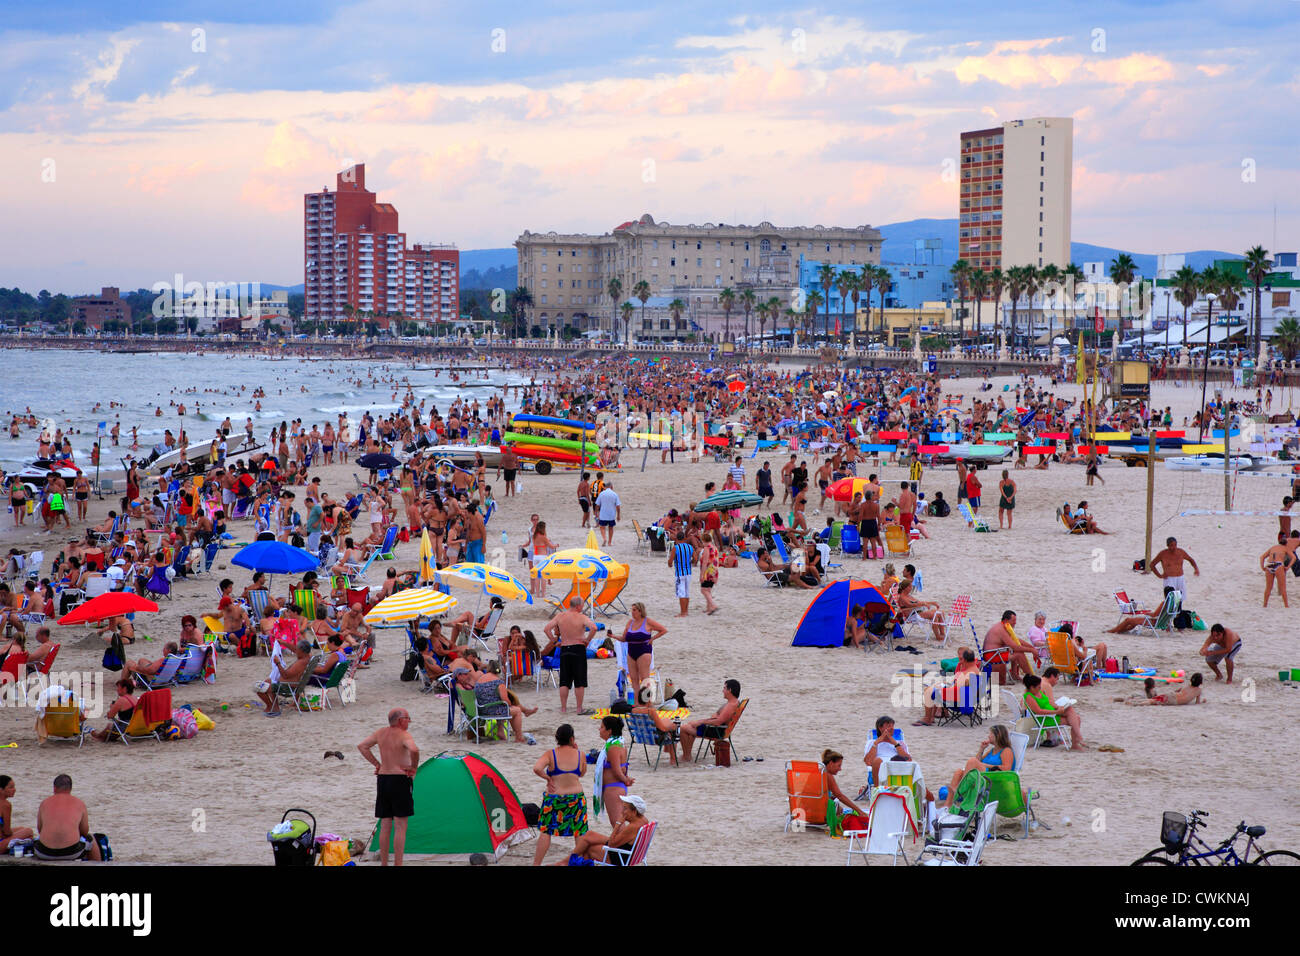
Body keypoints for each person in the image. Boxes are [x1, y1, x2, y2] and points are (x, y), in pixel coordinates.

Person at [358, 708, 419, 866]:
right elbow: (414, 749)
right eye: (408, 718)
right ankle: (398, 864)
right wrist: (414, 767)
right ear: (400, 720)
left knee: (385, 824)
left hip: (383, 779)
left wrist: (377, 764)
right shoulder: (403, 735)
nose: (409, 721)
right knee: (400, 825)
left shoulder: (380, 733)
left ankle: (384, 863)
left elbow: (362, 746)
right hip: (400, 780)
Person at [531, 724, 588, 866]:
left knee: (546, 831)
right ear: (572, 738)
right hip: (576, 798)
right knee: (579, 832)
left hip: (555, 798)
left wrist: (548, 778)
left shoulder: (551, 754)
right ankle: (578, 862)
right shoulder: (580, 754)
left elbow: (537, 768)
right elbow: (581, 773)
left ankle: (536, 864)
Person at [541, 595, 598, 714]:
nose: (583, 607)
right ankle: (579, 708)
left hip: (565, 648)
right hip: (578, 648)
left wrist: (554, 641)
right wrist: (587, 640)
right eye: (582, 605)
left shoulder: (560, 616)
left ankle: (563, 708)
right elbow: (594, 628)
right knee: (579, 680)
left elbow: (546, 629)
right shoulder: (581, 617)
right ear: (578, 606)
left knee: (564, 681)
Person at [564, 793, 651, 865]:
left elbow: (611, 844)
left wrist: (618, 824)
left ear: (634, 811)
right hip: (630, 852)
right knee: (589, 835)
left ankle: (567, 862)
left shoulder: (633, 827)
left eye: (625, 808)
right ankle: (567, 861)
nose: (622, 811)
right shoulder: (643, 820)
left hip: (621, 857)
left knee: (589, 849)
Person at [940, 725, 1015, 806]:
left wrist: (986, 765)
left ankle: (962, 790)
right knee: (958, 772)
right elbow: (978, 761)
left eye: (991, 734)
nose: (988, 736)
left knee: (972, 761)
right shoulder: (992, 750)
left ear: (998, 735)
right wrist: (981, 749)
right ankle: (947, 806)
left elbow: (1007, 769)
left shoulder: (1006, 751)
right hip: (983, 776)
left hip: (993, 777)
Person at [35, 774, 101, 861]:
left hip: (44, 852)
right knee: (91, 839)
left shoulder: (44, 803)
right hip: (71, 852)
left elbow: (40, 830)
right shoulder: (80, 803)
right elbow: (84, 832)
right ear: (70, 788)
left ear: (54, 788)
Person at [610, 602, 667, 699]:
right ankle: (637, 702)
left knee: (644, 679)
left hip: (644, 651)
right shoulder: (630, 623)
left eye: (634, 610)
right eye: (631, 610)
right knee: (634, 679)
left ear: (640, 611)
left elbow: (663, 630)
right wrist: (613, 636)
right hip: (631, 651)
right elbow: (624, 639)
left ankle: (646, 702)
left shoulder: (647, 621)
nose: (632, 612)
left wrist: (652, 638)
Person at [913, 649, 981, 726]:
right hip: (969, 698)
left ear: (965, 659)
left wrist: (943, 689)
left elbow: (956, 689)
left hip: (957, 701)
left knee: (928, 692)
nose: (960, 661)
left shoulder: (967, 674)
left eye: (961, 659)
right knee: (935, 687)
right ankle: (931, 717)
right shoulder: (976, 669)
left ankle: (927, 718)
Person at [678, 678, 741, 761]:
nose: (723, 691)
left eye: (724, 688)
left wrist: (700, 722)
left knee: (683, 728)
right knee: (690, 724)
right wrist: (713, 716)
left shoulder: (730, 706)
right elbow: (719, 716)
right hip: (718, 729)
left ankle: (686, 756)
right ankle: (687, 755)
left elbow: (718, 721)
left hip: (716, 731)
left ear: (730, 690)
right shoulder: (734, 702)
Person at [1023, 672, 1086, 751]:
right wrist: (1056, 712)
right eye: (1038, 687)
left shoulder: (1037, 692)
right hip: (1045, 719)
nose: (1040, 689)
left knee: (1070, 709)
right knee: (1077, 718)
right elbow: (1039, 711)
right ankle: (1077, 741)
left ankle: (1077, 741)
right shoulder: (1029, 696)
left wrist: (1058, 707)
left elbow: (1049, 703)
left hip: (1052, 714)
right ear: (1032, 687)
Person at [596, 716, 635, 826]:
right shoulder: (619, 743)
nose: (599, 729)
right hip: (615, 787)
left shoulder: (613, 747)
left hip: (613, 788)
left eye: (602, 727)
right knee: (618, 824)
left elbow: (617, 770)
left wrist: (626, 780)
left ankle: (625, 843)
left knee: (617, 825)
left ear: (609, 731)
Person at [982, 610, 1036, 680]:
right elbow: (1015, 647)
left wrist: (1032, 648)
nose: (1015, 623)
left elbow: (1016, 640)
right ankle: (1031, 678)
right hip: (992, 655)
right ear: (1006, 620)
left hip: (995, 653)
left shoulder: (1004, 626)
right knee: (1019, 654)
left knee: (1016, 652)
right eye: (1013, 620)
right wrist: (1031, 650)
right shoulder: (1001, 629)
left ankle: (1014, 674)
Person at [863, 714, 914, 783]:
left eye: (892, 726)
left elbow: (908, 760)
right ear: (880, 728)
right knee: (877, 761)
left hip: (896, 769)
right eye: (888, 726)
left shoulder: (900, 743)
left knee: (898, 760)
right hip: (879, 771)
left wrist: (895, 744)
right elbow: (868, 762)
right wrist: (876, 743)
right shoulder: (872, 743)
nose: (892, 728)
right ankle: (878, 789)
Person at [821, 749, 867, 824]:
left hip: (809, 810)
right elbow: (840, 796)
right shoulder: (827, 775)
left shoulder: (817, 771)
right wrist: (860, 811)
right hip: (821, 814)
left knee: (838, 806)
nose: (840, 769)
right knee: (840, 810)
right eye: (839, 765)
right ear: (831, 763)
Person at [1150, 536, 1199, 603]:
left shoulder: (1181, 552)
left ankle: (1178, 612)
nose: (1174, 547)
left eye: (1175, 545)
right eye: (1171, 545)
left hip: (1180, 577)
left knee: (1180, 599)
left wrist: (1196, 569)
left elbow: (1191, 560)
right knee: (1170, 599)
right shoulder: (1163, 554)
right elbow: (1152, 564)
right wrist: (1159, 575)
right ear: (1167, 545)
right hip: (1169, 579)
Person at [0, 774, 35, 854]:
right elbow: (7, 832)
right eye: (11, 787)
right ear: (1, 790)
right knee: (28, 831)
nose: (14, 790)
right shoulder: (5, 805)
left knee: (21, 828)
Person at [1127, 672, 1206, 705]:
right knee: (1153, 702)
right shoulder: (1198, 691)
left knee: (1154, 699)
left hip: (1172, 695)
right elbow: (1197, 703)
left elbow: (1175, 691)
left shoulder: (1186, 686)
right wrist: (1203, 702)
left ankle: (1133, 700)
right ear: (1200, 683)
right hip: (1174, 701)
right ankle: (1135, 703)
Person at [669, 530, 694, 617]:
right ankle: (686, 611)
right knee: (687, 592)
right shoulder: (690, 547)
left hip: (680, 573)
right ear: (684, 538)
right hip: (689, 573)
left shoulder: (676, 548)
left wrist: (671, 564)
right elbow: (695, 558)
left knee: (681, 592)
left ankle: (683, 612)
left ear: (676, 539)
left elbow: (670, 562)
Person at [1260, 542, 1291, 608]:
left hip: (1269, 565)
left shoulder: (1273, 547)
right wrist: (1288, 567)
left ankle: (1265, 605)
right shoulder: (1285, 548)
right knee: (1283, 588)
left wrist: (1262, 567)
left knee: (1268, 588)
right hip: (1279, 565)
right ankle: (1286, 605)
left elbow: (1262, 557)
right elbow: (1293, 558)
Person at [595, 480, 621, 548]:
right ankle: (609, 542)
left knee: (602, 527)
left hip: (603, 514)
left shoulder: (602, 494)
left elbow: (597, 505)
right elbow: (618, 506)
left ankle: (604, 539)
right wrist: (618, 515)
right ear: (611, 486)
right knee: (611, 528)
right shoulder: (614, 494)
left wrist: (596, 513)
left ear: (605, 487)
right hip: (611, 514)